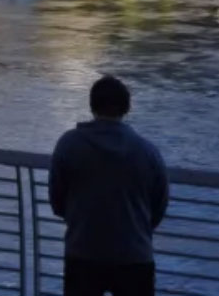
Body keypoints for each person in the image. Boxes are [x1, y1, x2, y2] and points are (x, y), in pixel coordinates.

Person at [49, 76, 168, 296]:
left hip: (82, 251)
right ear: (126, 108)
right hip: (135, 255)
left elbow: (57, 200)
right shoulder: (148, 151)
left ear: (92, 105)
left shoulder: (68, 145)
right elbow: (159, 205)